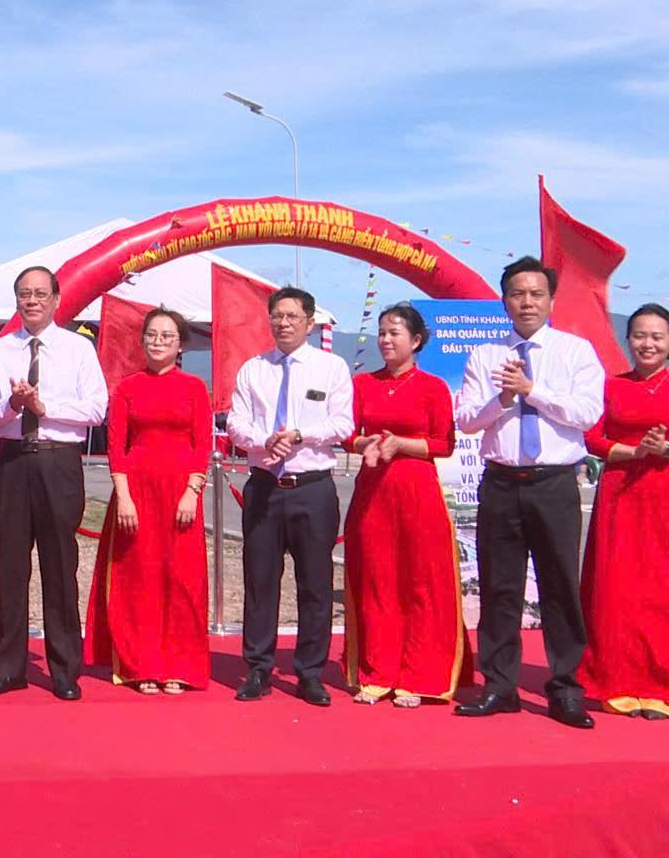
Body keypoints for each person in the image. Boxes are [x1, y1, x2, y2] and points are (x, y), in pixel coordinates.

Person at [454, 256, 604, 729]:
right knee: (500, 587)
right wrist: (502, 398)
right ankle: (499, 686)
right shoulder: (485, 355)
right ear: (504, 301)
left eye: (536, 294)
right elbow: (466, 420)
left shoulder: (575, 351)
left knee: (560, 586)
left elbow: (586, 414)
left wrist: (530, 389)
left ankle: (566, 689)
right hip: (501, 483)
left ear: (552, 300)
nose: (527, 302)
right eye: (517, 294)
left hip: (554, 484)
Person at [0, 266, 108, 699]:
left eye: (40, 293)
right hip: (13, 462)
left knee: (60, 567)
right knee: (11, 567)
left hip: (58, 462)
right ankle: (8, 668)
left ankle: (65, 670)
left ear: (56, 299)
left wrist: (44, 406)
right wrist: (14, 404)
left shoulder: (77, 349)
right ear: (16, 300)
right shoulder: (0, 351)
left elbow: (96, 409)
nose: (32, 301)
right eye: (24, 294)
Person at [227, 286, 354, 707]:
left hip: (312, 489)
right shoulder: (254, 369)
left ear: (310, 322)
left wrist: (301, 435)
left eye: (292, 316)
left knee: (315, 584)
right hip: (265, 486)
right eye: (277, 316)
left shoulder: (331, 368)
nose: (283, 323)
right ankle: (258, 668)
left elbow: (342, 424)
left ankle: (310, 672)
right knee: (260, 581)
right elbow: (236, 423)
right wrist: (264, 440)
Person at [342, 303, 472, 708]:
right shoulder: (363, 384)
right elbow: (347, 435)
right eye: (382, 332)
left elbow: (443, 444)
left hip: (418, 491)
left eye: (394, 332)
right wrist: (366, 444)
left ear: (415, 340)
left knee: (421, 581)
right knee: (377, 579)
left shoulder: (433, 387)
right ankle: (378, 671)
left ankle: (421, 675)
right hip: (373, 491)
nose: (385, 339)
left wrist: (401, 445)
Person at [84, 308, 211, 694]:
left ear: (180, 344)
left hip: (180, 494)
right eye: (152, 335)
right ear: (141, 341)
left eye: (167, 336)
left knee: (181, 580)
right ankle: (141, 664)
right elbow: (116, 447)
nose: (158, 342)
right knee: (139, 579)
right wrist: (123, 497)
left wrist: (192, 491)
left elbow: (202, 444)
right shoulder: (127, 388)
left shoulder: (194, 388)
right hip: (135, 493)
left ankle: (179, 665)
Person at [579, 304, 669, 719]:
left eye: (657, 337)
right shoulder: (611, 386)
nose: (648, 344)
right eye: (640, 336)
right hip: (620, 494)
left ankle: (658, 684)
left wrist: (664, 449)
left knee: (659, 589)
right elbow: (593, 438)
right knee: (618, 589)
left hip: (662, 495)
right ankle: (617, 680)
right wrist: (634, 451)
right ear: (627, 339)